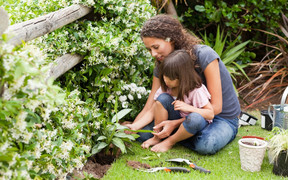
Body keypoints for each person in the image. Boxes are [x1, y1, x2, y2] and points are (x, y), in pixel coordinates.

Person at [125, 14, 241, 154]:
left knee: (206, 144)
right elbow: (152, 103)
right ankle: (183, 134)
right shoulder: (162, 63)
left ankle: (174, 137)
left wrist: (174, 124)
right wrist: (133, 128)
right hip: (185, 114)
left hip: (220, 118)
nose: (153, 54)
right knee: (143, 135)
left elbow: (215, 109)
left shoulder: (204, 55)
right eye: (149, 49)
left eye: (156, 47)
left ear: (171, 39)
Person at [141, 50, 214, 151]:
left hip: (193, 125)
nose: (166, 80)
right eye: (164, 75)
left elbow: (210, 114)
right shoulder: (166, 87)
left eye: (170, 78)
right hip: (174, 122)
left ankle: (169, 142)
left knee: (194, 119)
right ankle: (158, 137)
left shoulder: (196, 90)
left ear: (182, 77)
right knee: (162, 99)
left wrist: (189, 108)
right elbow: (154, 109)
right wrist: (134, 126)